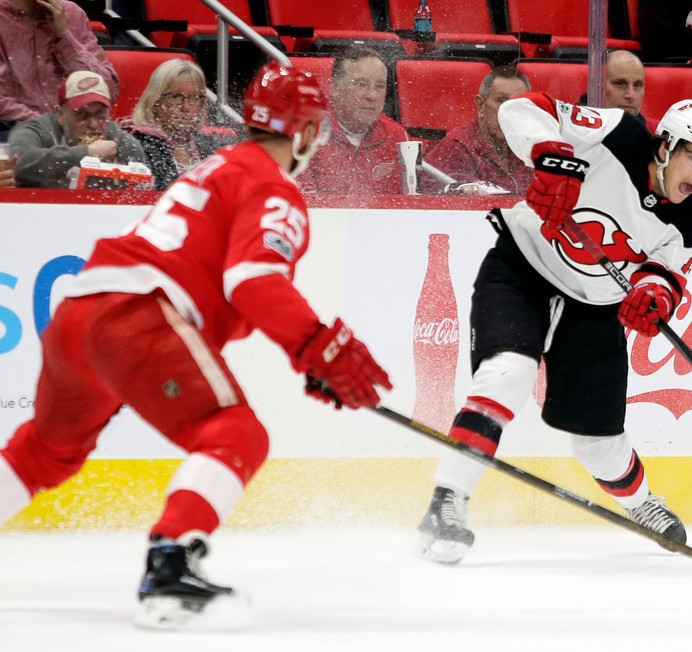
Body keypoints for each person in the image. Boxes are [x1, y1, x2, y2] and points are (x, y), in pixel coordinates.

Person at [0, 62, 392, 629]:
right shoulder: (274, 185)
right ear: (306, 131)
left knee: (44, 450)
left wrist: (309, 353)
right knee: (236, 433)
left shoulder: (217, 165)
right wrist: (316, 345)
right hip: (139, 316)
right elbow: (252, 280)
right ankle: (170, 567)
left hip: (79, 312)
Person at [416, 92, 692, 564]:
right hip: (522, 270)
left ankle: (641, 502)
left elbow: (667, 272)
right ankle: (447, 501)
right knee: (508, 374)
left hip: (594, 309)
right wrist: (551, 155)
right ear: (666, 146)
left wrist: (653, 295)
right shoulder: (616, 134)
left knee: (599, 444)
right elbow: (520, 109)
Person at [8, 70, 146, 188]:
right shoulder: (36, 130)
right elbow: (18, 164)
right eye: (82, 115)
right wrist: (88, 152)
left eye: (100, 115)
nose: (93, 124)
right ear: (60, 114)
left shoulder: (124, 143)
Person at [0, 0, 120, 135]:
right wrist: (49, 127)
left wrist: (64, 36)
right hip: (16, 131)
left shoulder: (72, 13)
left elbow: (108, 90)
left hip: (82, 129)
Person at [305, 46, 408, 195]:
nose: (372, 96)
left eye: (380, 86)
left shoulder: (397, 137)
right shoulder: (307, 132)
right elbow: (304, 203)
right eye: (361, 84)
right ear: (335, 87)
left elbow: (412, 202)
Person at [120, 59, 238, 190]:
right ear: (155, 101)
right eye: (175, 97)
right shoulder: (135, 143)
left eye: (194, 97)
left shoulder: (212, 143)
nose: (186, 107)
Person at [421, 66, 533, 195]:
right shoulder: (457, 147)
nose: (509, 112)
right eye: (502, 101)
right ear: (481, 105)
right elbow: (425, 195)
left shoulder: (533, 148)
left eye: (518, 104)